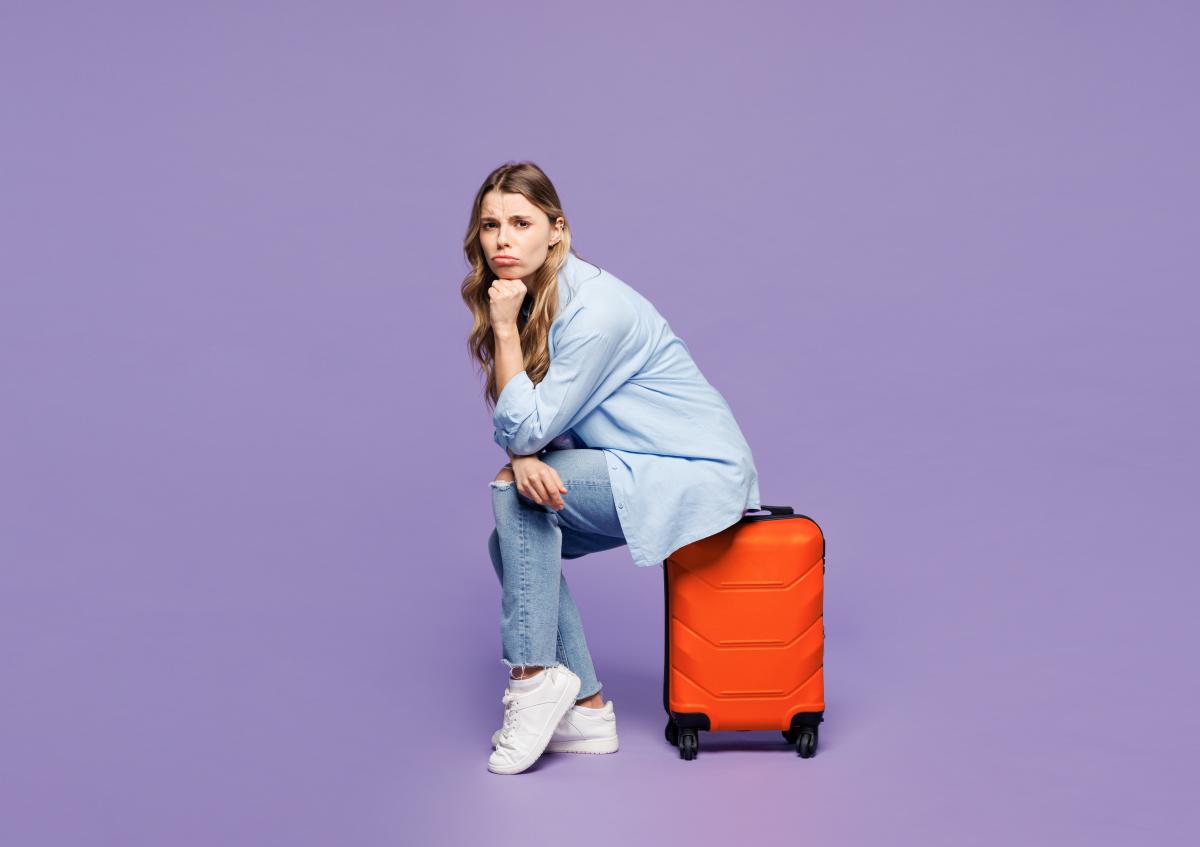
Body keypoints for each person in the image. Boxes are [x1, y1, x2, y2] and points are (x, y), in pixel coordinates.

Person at [460, 161, 761, 775]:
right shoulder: (537, 297)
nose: (503, 240)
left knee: (513, 498)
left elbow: (529, 426)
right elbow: (533, 427)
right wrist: (524, 453)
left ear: (557, 231)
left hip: (689, 471)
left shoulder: (596, 310)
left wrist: (503, 339)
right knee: (511, 540)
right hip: (634, 463)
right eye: (490, 225)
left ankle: (533, 677)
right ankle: (589, 709)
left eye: (521, 222)